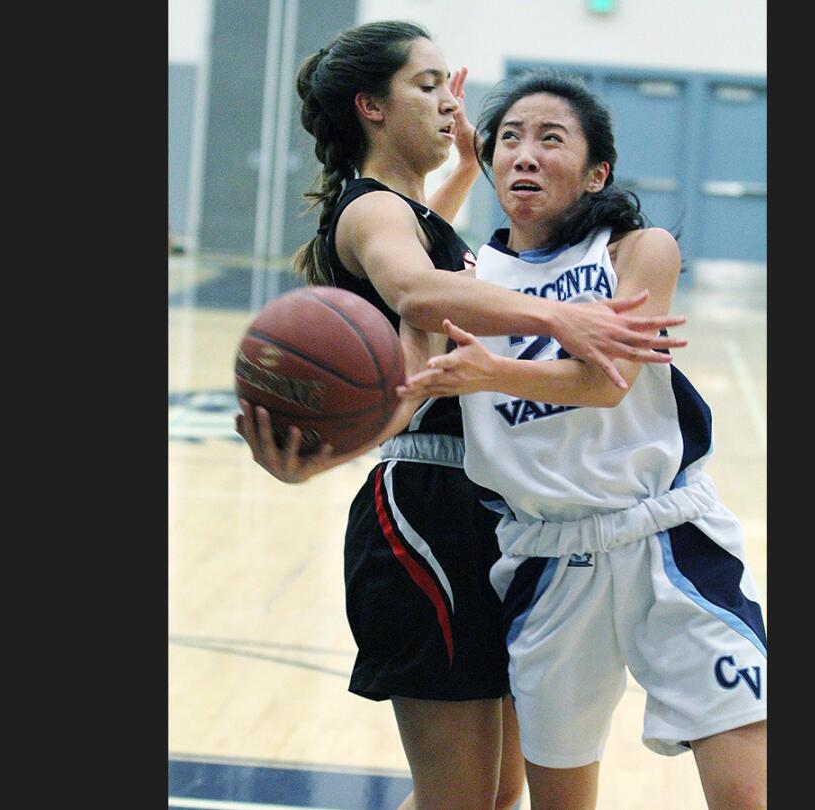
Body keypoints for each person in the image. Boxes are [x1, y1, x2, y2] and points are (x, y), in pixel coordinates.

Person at [233, 22, 688, 810]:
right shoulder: (372, 213)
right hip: (426, 511)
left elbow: (433, 247)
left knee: (496, 790)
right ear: (370, 106)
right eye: (429, 85)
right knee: (461, 799)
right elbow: (417, 287)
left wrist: (472, 165)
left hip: (485, 511)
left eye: (451, 85)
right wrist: (562, 320)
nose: (451, 103)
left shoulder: (408, 210)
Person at [399, 70, 767, 809]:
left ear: (598, 171)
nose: (525, 154)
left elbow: (607, 381)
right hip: (545, 564)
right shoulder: (472, 275)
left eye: (549, 139)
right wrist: (461, 164)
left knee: (745, 795)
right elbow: (411, 257)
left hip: (668, 546)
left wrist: (491, 371)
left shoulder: (638, 248)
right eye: (509, 139)